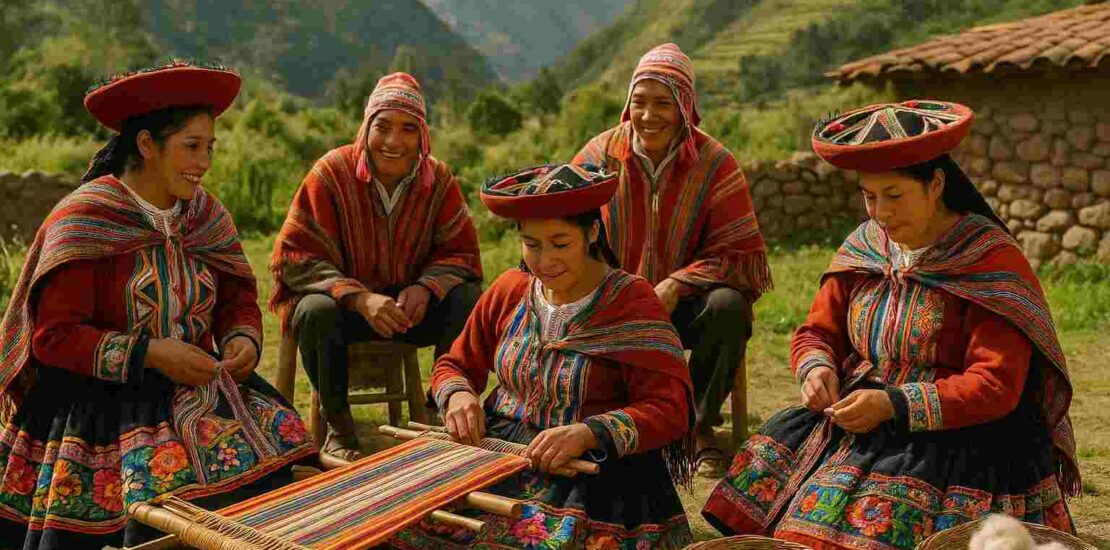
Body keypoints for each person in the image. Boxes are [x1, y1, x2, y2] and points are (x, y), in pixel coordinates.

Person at [701, 100, 1079, 549]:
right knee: (769, 505)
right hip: (861, 415)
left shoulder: (988, 261)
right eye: (869, 196)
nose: (879, 212)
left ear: (936, 184)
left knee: (870, 531)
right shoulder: (866, 248)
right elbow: (817, 332)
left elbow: (995, 384)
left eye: (894, 196)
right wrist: (816, 369)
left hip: (958, 437)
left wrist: (893, 405)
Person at [0, 61, 314, 550]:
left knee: (286, 467)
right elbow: (53, 338)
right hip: (103, 406)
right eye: (191, 146)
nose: (204, 162)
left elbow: (237, 296)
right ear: (147, 145)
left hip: (201, 386)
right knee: (153, 507)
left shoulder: (205, 215)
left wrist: (241, 336)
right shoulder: (87, 219)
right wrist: (150, 352)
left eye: (209, 147)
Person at [390, 164, 697, 549]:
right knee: (402, 523)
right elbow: (456, 364)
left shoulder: (630, 302)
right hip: (502, 450)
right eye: (531, 244)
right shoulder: (509, 290)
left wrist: (588, 432)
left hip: (593, 465)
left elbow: (670, 408)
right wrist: (459, 396)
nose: (545, 260)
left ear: (592, 233)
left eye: (560, 243)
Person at [572, 43, 771, 475]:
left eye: (663, 103)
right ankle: (611, 421)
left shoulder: (715, 163)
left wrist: (678, 283)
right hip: (614, 301)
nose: (648, 115)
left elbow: (738, 253)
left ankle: (694, 427)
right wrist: (617, 287)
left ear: (685, 106)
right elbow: (569, 232)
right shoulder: (600, 156)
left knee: (729, 308)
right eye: (639, 102)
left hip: (684, 306)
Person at [270, 72, 483, 461]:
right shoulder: (331, 173)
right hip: (344, 315)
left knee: (466, 298)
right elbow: (295, 258)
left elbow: (462, 255)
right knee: (315, 309)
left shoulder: (439, 181)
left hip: (407, 312)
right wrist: (358, 298)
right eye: (382, 127)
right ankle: (340, 428)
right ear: (366, 127)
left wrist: (426, 287)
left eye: (408, 129)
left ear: (422, 136)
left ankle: (442, 413)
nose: (393, 142)